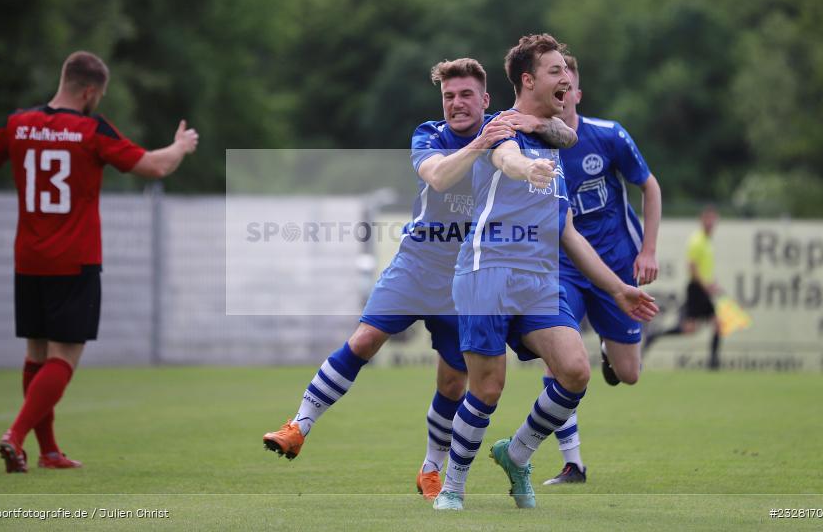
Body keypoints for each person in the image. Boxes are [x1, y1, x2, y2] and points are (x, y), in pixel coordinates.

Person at [262, 58, 576, 500]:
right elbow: (438, 176)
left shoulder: (507, 127)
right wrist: (481, 144)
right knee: (364, 340)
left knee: (453, 382)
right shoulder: (431, 135)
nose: (456, 104)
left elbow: (563, 135)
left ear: (485, 99)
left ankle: (431, 468)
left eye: (466, 95)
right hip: (417, 263)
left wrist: (534, 122)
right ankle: (299, 425)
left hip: (465, 274)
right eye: (449, 96)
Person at [433, 34, 658, 510]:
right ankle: (453, 485)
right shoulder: (503, 127)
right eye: (556, 71)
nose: (566, 79)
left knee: (576, 370)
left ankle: (517, 454)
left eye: (566, 71)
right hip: (487, 272)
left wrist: (618, 289)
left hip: (538, 279)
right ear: (529, 80)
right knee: (488, 388)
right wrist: (522, 169)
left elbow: (569, 233)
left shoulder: (551, 138)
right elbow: (505, 156)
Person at [0, 51, 199, 473]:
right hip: (74, 259)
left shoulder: (18, 123)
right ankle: (15, 436)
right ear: (91, 91)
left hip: (28, 258)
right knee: (64, 357)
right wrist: (180, 146)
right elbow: (154, 166)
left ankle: (48, 451)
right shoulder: (90, 130)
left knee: (36, 353)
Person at [538, 54, 662, 485]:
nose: (560, 91)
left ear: (577, 93)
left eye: (566, 84)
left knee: (628, 375)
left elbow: (649, 185)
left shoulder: (608, 135)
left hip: (615, 266)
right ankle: (574, 463)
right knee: (559, 359)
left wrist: (647, 251)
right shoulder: (534, 145)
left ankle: (611, 349)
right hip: (564, 270)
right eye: (553, 82)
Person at [644, 205, 721, 369]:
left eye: (713, 219)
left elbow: (704, 267)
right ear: (701, 220)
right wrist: (706, 286)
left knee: (716, 324)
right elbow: (692, 266)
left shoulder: (707, 241)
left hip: (702, 288)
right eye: (707, 219)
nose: (711, 222)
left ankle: (713, 363)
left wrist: (712, 283)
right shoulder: (697, 240)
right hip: (696, 289)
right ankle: (654, 335)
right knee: (689, 328)